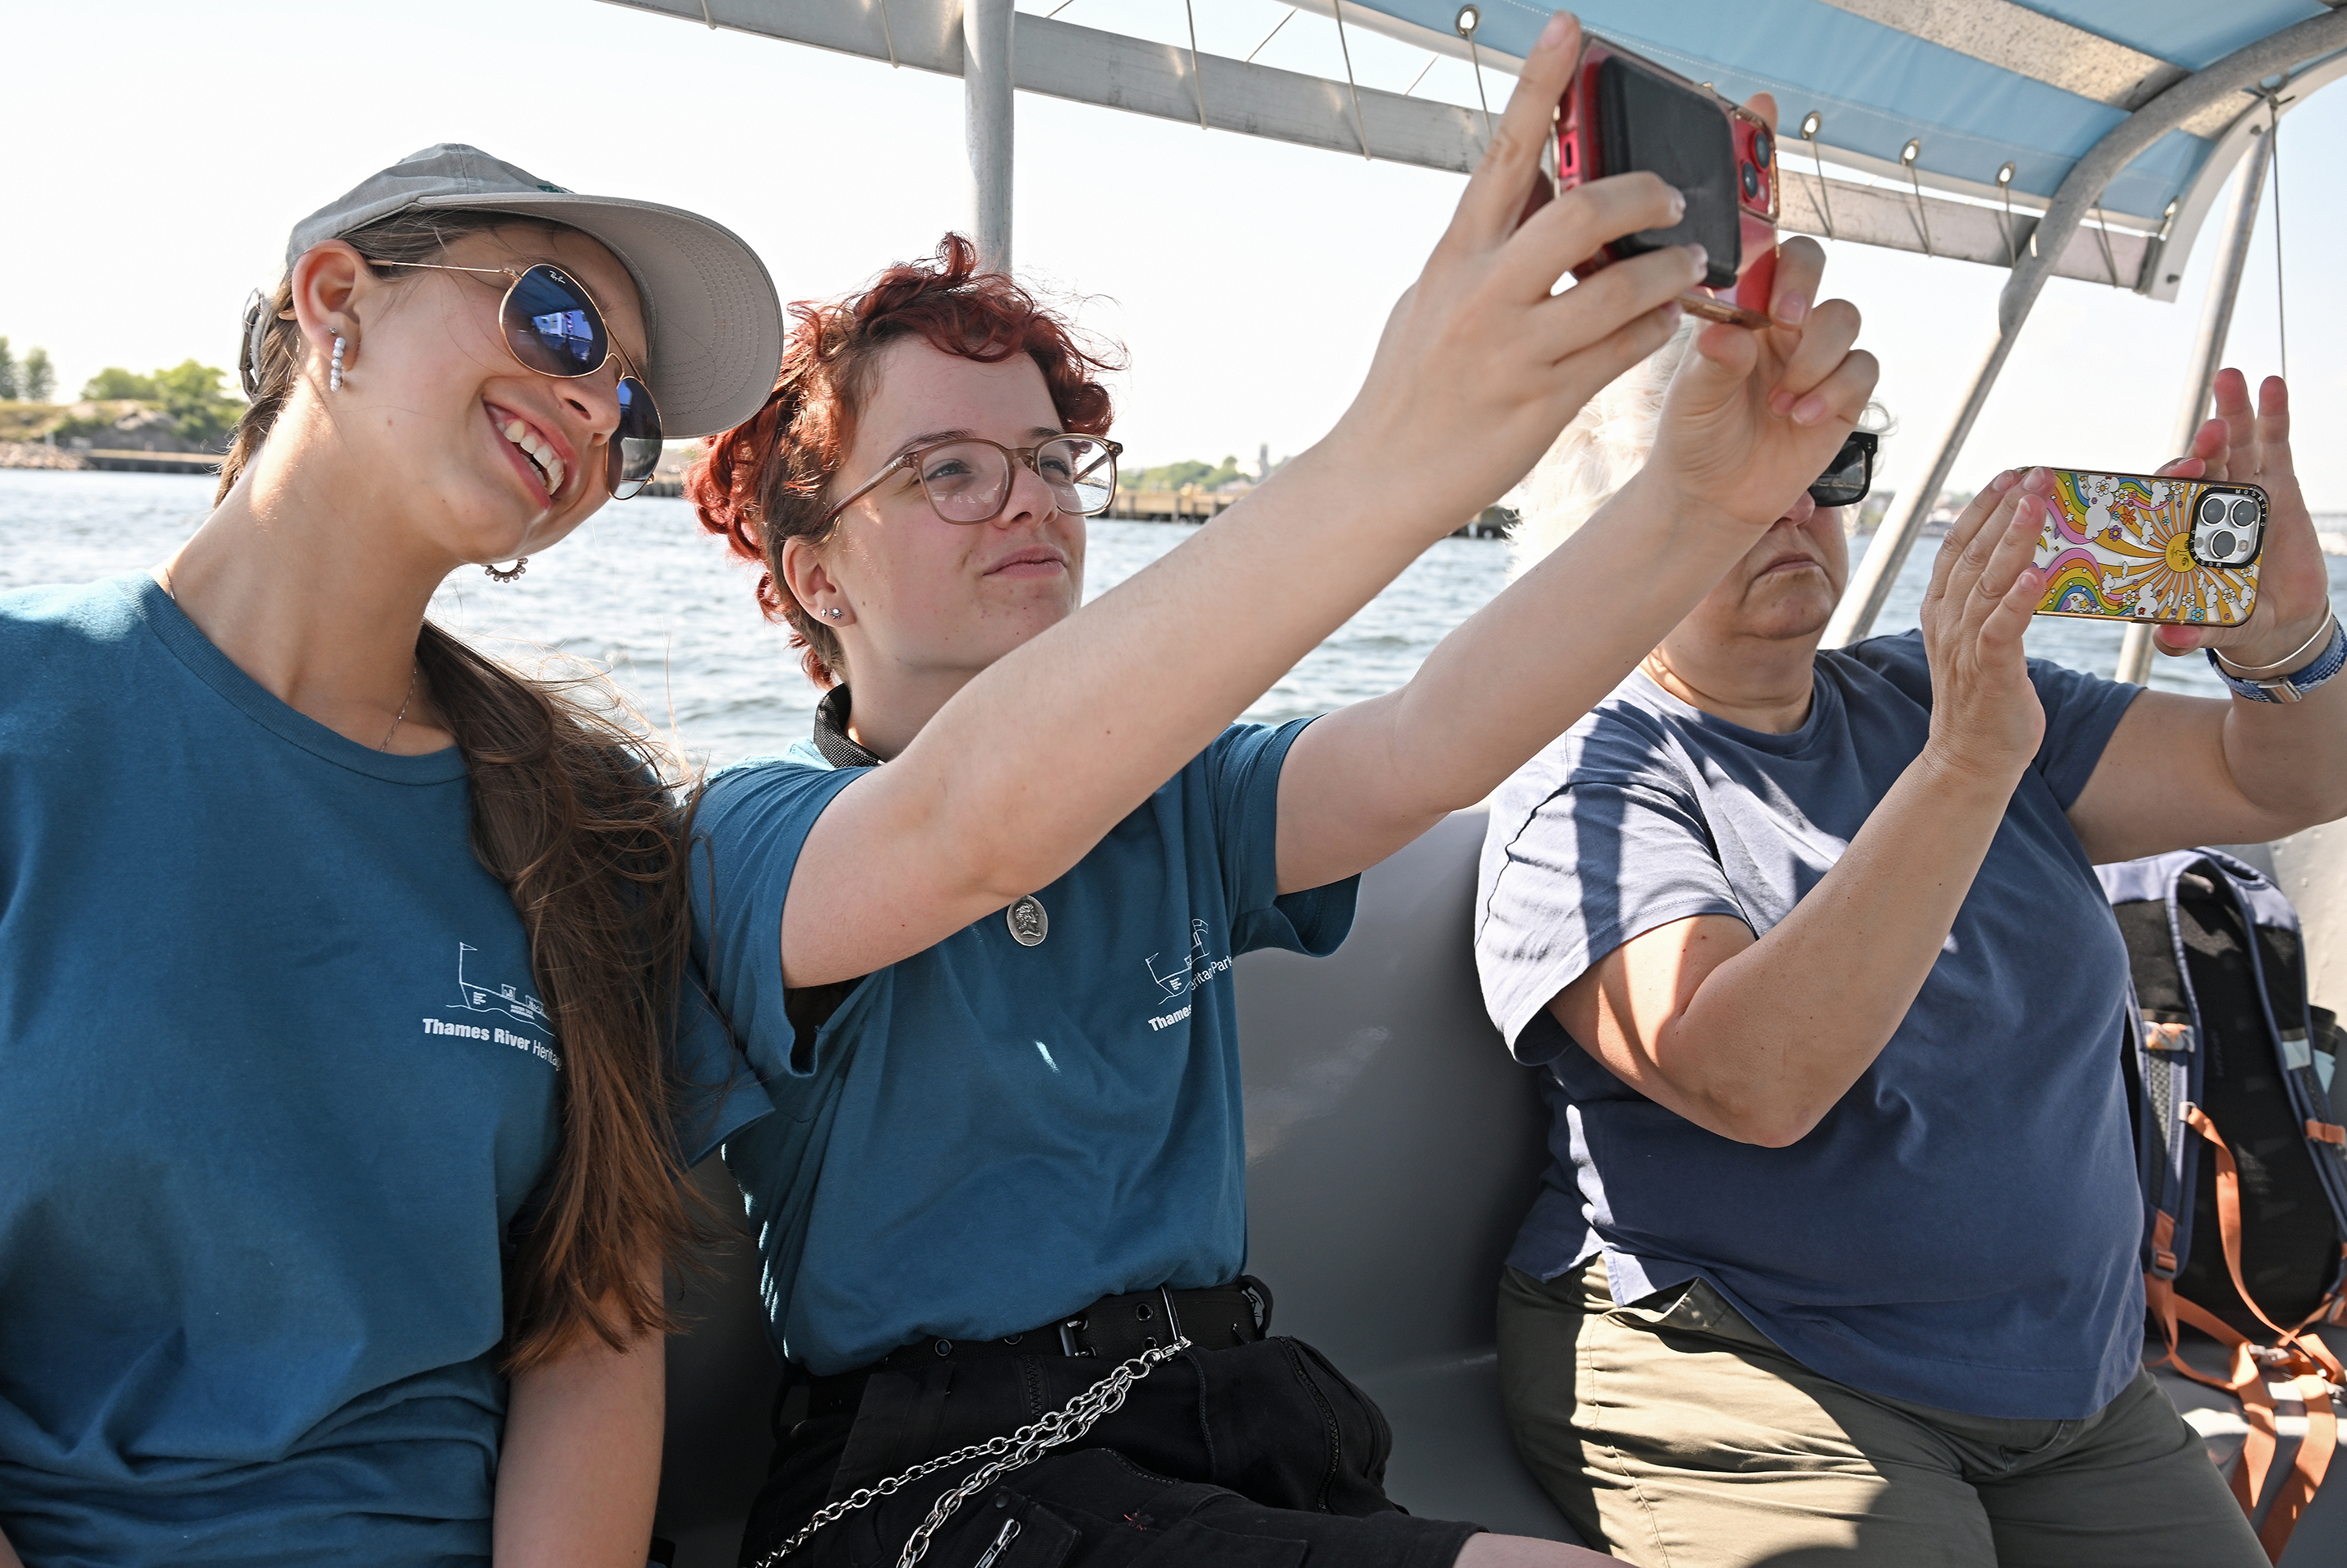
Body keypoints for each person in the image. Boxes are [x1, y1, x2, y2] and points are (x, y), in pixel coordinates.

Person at [684, 15, 1878, 1566]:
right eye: (948, 472)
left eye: (1050, 461)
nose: (1029, 502)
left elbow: (1433, 740)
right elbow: (966, 830)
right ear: (812, 571)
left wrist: (1700, 503)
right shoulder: (753, 834)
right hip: (935, 1482)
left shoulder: (1172, 803)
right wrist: (1405, 448)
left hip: (1223, 1417)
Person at [0, 145, 783, 1567]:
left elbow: (592, 1328)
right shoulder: (20, 714)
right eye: (562, 321)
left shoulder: (587, 826)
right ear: (335, 297)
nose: (597, 407)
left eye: (636, 412)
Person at [1474, 339, 2345, 1566]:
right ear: (1602, 532)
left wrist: (2291, 635)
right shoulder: (1589, 783)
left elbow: (2292, 775)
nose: (1796, 504)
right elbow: (1754, 1078)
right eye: (1738, 473)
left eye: (1827, 465)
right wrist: (1969, 766)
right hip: (1754, 1366)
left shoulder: (1929, 694)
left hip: (2066, 1387)